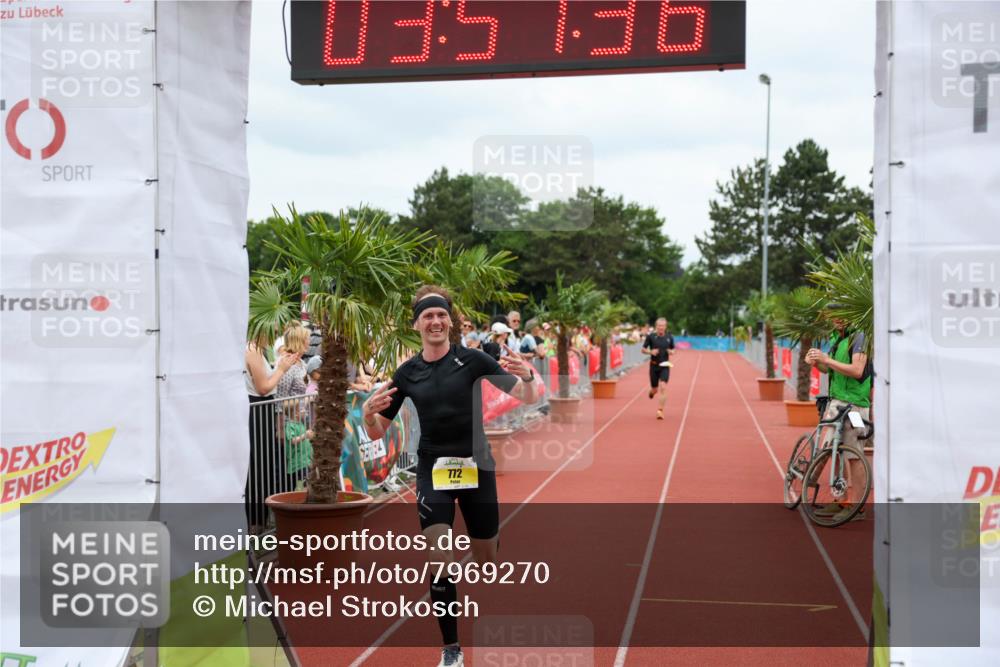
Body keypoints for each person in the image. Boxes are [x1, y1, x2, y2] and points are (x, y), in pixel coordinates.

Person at [361, 286, 540, 667]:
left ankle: (483, 544)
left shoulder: (473, 360)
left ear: (450, 321)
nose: (436, 321)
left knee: (485, 556)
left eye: (441, 315)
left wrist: (528, 377)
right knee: (438, 555)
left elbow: (530, 397)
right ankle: (451, 650)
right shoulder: (407, 372)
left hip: (477, 468)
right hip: (432, 471)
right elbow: (377, 431)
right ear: (417, 325)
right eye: (428, 316)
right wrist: (365, 416)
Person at [805, 309, 872, 523]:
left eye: (840, 313)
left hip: (855, 407)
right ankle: (839, 499)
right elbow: (830, 370)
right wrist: (817, 362)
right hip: (836, 403)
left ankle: (856, 505)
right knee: (831, 451)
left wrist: (827, 359)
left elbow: (857, 370)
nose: (837, 319)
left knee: (854, 455)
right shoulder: (838, 338)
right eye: (832, 315)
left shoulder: (860, 336)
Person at [245, 335, 300, 529]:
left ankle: (261, 520)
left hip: (263, 411)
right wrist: (282, 369)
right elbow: (263, 387)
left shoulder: (258, 350)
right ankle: (255, 522)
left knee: (264, 467)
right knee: (258, 468)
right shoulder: (252, 350)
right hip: (257, 412)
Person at [642, 317, 675, 420]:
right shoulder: (651, 337)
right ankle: (652, 392)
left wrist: (671, 352)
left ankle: (660, 411)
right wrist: (650, 352)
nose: (661, 328)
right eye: (659, 326)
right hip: (654, 365)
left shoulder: (669, 337)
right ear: (656, 326)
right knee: (655, 389)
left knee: (663, 387)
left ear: (665, 327)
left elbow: (673, 349)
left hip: (665, 365)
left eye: (663, 326)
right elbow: (643, 349)